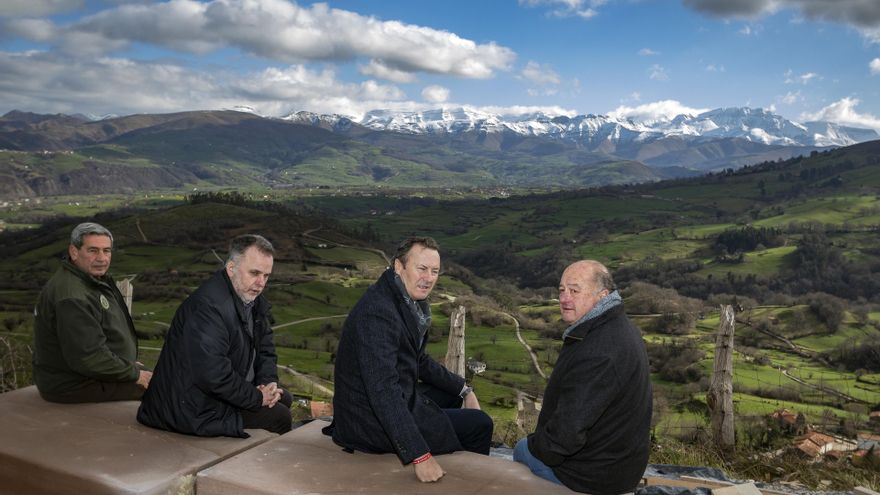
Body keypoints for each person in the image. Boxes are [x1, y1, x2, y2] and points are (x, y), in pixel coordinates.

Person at [327, 236, 493, 482]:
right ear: (398, 266)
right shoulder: (378, 313)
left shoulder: (403, 301)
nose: (428, 278)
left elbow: (418, 360)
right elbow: (383, 390)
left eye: (434, 271)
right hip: (367, 422)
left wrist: (464, 390)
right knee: (480, 423)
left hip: (386, 400)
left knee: (449, 394)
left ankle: (447, 445)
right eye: (422, 268)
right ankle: (469, 484)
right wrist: (420, 455)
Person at [514, 260, 652, 495]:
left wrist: (538, 445)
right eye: (561, 290)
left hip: (595, 476)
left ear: (602, 295)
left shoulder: (599, 351)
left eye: (574, 291)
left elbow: (565, 436)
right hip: (617, 464)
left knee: (521, 449)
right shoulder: (615, 326)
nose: (564, 298)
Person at [137, 234, 291, 437]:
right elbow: (212, 374)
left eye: (266, 275)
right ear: (231, 268)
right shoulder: (208, 308)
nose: (261, 282)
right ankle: (247, 467)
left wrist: (267, 383)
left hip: (215, 396)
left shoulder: (252, 300)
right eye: (254, 273)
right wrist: (255, 397)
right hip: (190, 408)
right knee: (280, 416)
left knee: (283, 397)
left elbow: (266, 348)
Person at [33, 222, 151, 403]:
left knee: (167, 375)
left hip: (92, 375)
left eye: (107, 250)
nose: (102, 258)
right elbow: (89, 358)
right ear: (74, 252)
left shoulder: (88, 281)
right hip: (74, 384)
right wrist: (133, 374)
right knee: (164, 390)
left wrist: (127, 365)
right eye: (93, 251)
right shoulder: (72, 297)